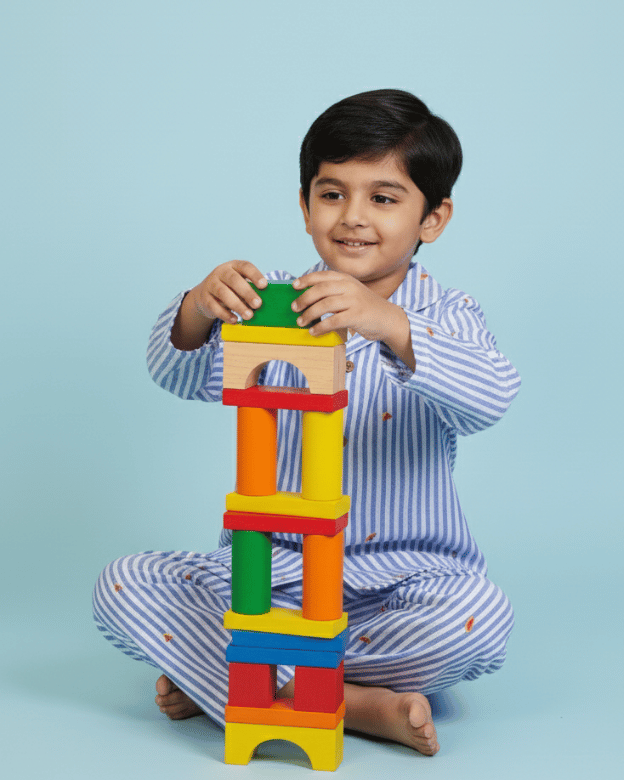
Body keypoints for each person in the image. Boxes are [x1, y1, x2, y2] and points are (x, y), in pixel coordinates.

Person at [93, 89, 521, 757]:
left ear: (432, 219)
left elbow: (491, 396)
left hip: (405, 584)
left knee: (482, 621)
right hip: (275, 578)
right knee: (124, 584)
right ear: (303, 204)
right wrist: (201, 309)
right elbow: (179, 374)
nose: (352, 218)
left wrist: (390, 325)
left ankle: (245, 684)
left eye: (383, 198)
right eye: (331, 194)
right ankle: (346, 704)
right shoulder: (271, 302)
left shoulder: (449, 313)